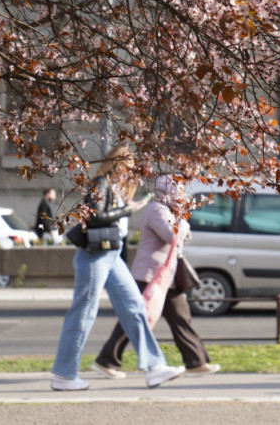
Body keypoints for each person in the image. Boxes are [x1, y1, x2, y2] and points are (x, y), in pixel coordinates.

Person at [50, 146, 185, 391]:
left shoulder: (115, 187)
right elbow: (94, 216)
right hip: (95, 256)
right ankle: (63, 375)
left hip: (112, 255)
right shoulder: (100, 183)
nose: (129, 173)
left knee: (135, 308)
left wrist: (126, 205)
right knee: (83, 312)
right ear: (116, 164)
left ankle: (155, 368)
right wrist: (128, 209)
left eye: (132, 169)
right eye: (127, 167)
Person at [93, 175, 220, 379]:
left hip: (165, 276)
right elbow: (172, 235)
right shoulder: (156, 210)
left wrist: (181, 224)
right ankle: (106, 360)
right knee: (136, 318)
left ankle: (196, 361)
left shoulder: (168, 211)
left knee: (180, 317)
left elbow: (181, 236)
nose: (181, 194)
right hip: (150, 275)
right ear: (167, 191)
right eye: (177, 190)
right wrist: (183, 223)